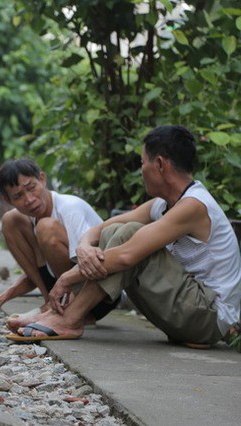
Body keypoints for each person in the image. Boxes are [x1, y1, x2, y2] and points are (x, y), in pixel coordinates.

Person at [13, 125, 241, 350]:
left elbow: (126, 256)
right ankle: (64, 314)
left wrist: (66, 278)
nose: (141, 169)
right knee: (117, 231)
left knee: (130, 236)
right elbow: (102, 229)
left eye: (142, 163)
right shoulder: (163, 204)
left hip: (207, 317)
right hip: (189, 311)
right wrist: (83, 245)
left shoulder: (194, 205)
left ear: (160, 164)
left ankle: (70, 318)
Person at [0, 158, 120, 331]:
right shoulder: (32, 218)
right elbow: (40, 273)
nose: (29, 199)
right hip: (60, 291)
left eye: (31, 188)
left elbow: (89, 265)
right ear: (7, 199)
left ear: (42, 179)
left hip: (99, 294)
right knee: (10, 220)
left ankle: (67, 312)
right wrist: (1, 298)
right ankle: (50, 305)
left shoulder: (69, 208)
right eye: (18, 196)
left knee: (46, 227)